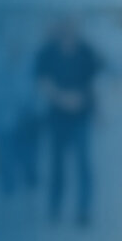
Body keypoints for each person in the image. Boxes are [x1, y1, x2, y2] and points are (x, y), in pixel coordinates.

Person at [36, 18, 99, 226]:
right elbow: (43, 82)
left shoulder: (86, 51)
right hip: (57, 116)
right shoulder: (48, 53)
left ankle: (83, 209)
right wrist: (63, 98)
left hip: (82, 115)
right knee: (57, 164)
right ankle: (55, 207)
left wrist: (89, 102)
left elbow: (93, 81)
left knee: (83, 163)